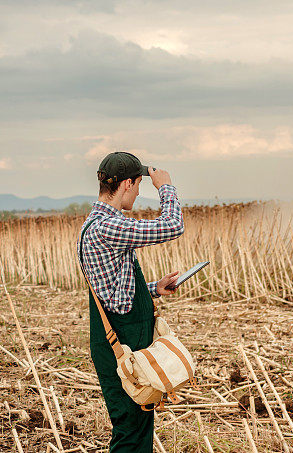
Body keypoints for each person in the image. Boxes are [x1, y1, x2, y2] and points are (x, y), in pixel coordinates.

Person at [77, 152, 184, 452]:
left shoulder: (99, 222)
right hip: (120, 343)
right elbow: (173, 226)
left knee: (139, 421)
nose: (138, 192)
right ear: (127, 183)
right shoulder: (107, 227)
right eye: (138, 185)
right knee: (128, 428)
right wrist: (166, 187)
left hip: (124, 339)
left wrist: (153, 288)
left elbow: (113, 290)